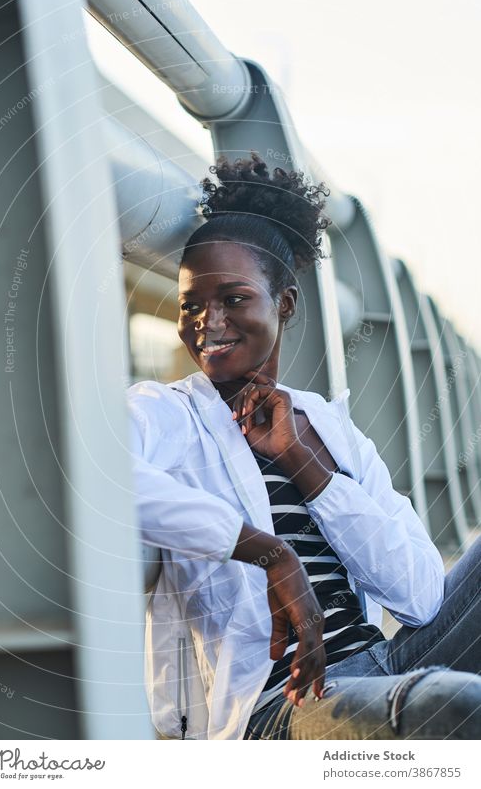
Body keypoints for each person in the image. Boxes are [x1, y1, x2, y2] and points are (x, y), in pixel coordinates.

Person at [126, 153, 481, 740]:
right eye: (191, 304)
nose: (208, 322)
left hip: (385, 666)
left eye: (234, 299)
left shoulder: (326, 425)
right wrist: (269, 552)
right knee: (448, 707)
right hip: (275, 709)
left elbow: (420, 596)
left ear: (284, 304)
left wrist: (309, 468)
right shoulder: (166, 412)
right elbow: (95, 472)